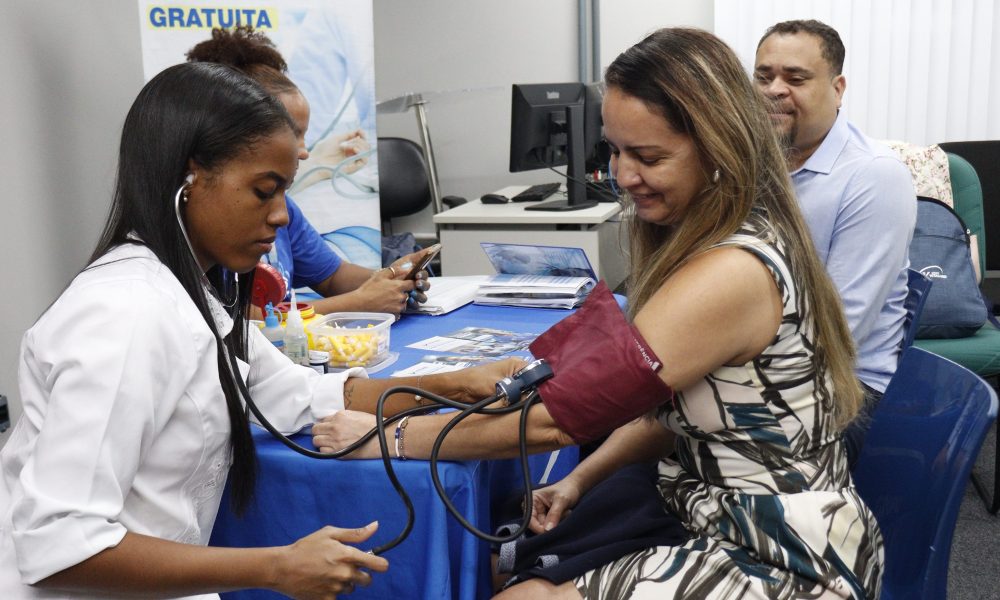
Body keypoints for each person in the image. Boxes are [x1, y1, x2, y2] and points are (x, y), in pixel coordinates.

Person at [314, 28, 884, 599]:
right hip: (711, 504)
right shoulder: (714, 238)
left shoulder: (729, 272)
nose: (622, 175)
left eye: (648, 156)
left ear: (719, 148)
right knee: (504, 568)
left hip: (780, 548)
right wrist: (580, 479)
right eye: (613, 149)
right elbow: (663, 412)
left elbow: (557, 420)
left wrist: (389, 437)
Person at [0, 61, 519, 599]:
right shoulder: (124, 314)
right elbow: (59, 544)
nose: (281, 217)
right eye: (264, 191)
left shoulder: (191, 293)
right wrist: (276, 567)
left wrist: (458, 385)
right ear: (189, 178)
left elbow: (299, 395)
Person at [753, 19, 917, 465]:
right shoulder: (757, 164)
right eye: (764, 76)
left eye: (796, 78)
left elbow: (838, 334)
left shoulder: (873, 176)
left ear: (838, 88)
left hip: (844, 393)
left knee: (667, 449)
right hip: (764, 364)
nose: (774, 90)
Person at [187, 26, 433, 318]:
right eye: (293, 133)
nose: (302, 150)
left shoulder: (283, 208)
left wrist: (390, 280)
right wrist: (357, 303)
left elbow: (332, 275)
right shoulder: (212, 226)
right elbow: (240, 321)